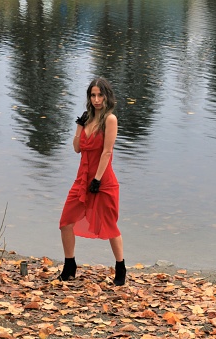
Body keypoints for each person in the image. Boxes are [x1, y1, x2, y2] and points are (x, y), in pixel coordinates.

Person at [58, 77, 126, 286]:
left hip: (102, 180)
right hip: (81, 179)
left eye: (100, 95)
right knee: (66, 222)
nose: (96, 99)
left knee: (109, 225)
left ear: (107, 96)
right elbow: (77, 148)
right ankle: (70, 267)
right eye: (93, 95)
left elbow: (107, 152)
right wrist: (79, 126)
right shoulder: (88, 118)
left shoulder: (110, 120)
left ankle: (120, 268)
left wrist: (96, 180)